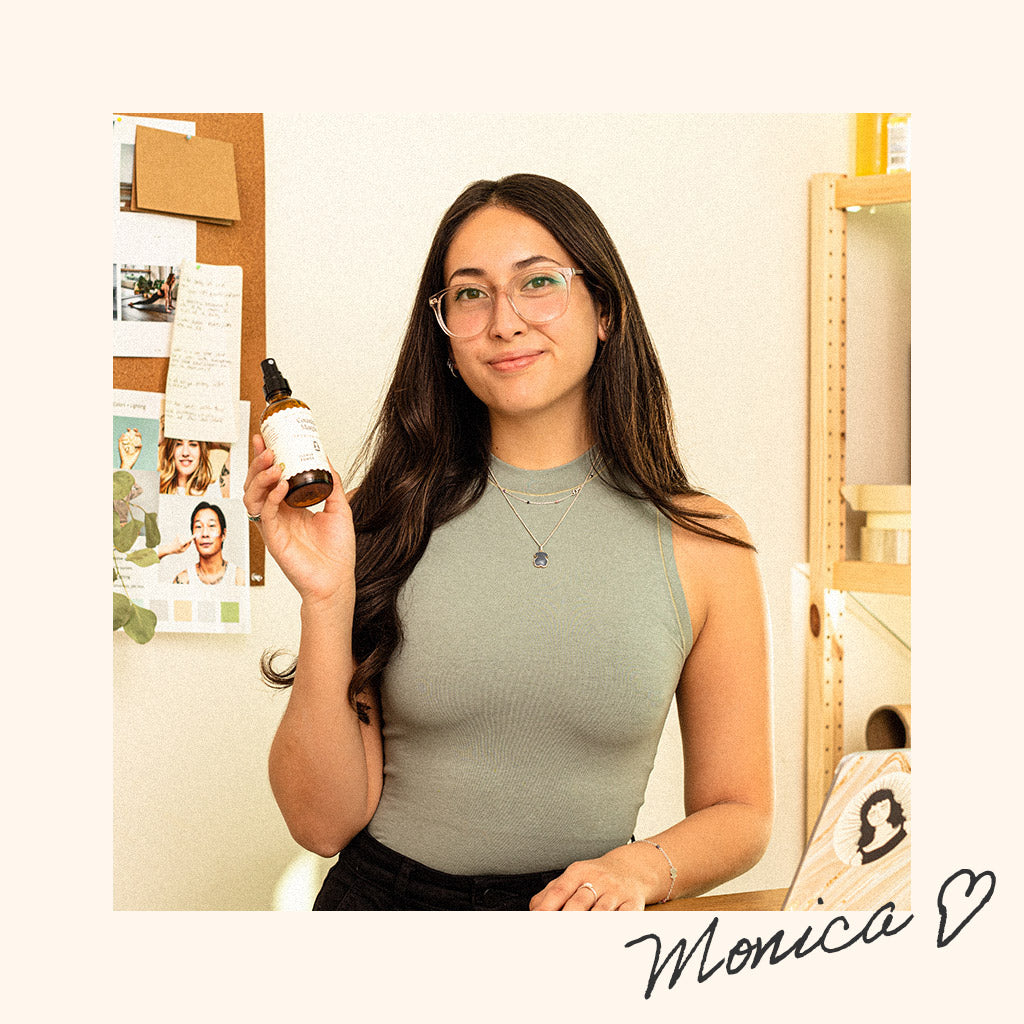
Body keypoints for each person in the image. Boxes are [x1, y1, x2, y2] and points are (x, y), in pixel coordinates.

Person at [243, 173, 773, 911]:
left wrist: (640, 870)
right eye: (470, 293)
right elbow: (321, 823)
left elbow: (741, 810)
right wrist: (326, 598)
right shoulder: (380, 517)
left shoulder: (705, 543)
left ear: (606, 312)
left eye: (539, 283)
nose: (504, 321)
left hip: (578, 916)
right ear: (445, 331)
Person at [173, 501, 244, 586]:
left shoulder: (239, 578)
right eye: (198, 526)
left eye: (211, 526)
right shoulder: (183, 580)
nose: (205, 534)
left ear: (223, 534)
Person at [854, 789, 907, 866]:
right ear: (865, 818)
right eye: (872, 813)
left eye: (883, 807)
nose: (879, 815)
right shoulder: (860, 856)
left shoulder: (906, 827)